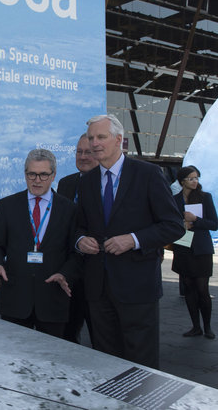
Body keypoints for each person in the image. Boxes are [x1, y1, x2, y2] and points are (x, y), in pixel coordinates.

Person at [75, 114, 184, 369]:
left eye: (101, 137)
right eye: (91, 138)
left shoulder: (148, 174)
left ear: (118, 140)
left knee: (141, 364)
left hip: (137, 288)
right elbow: (79, 225)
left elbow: (173, 225)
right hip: (98, 289)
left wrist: (133, 239)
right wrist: (80, 240)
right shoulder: (87, 181)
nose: (94, 143)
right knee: (105, 360)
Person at [0, 149, 81, 337]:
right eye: (31, 174)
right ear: (25, 174)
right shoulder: (8, 205)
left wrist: (64, 273)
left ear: (53, 176)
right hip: (16, 299)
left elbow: (75, 253)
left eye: (43, 174)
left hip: (53, 300)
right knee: (13, 360)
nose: (37, 180)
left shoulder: (68, 209)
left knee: (51, 361)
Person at [56, 134, 98, 344]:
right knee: (68, 336)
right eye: (79, 152)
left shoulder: (106, 185)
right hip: (70, 277)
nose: (82, 157)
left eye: (88, 152)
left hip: (99, 275)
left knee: (103, 339)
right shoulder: (66, 183)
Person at [172, 166, 218, 339]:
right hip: (183, 246)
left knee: (202, 289)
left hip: (201, 248)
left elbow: (214, 224)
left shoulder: (205, 197)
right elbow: (168, 221)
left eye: (197, 178)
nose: (195, 181)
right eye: (191, 178)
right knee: (189, 288)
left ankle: (207, 327)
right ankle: (195, 326)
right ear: (182, 180)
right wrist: (180, 224)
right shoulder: (174, 199)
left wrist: (195, 220)